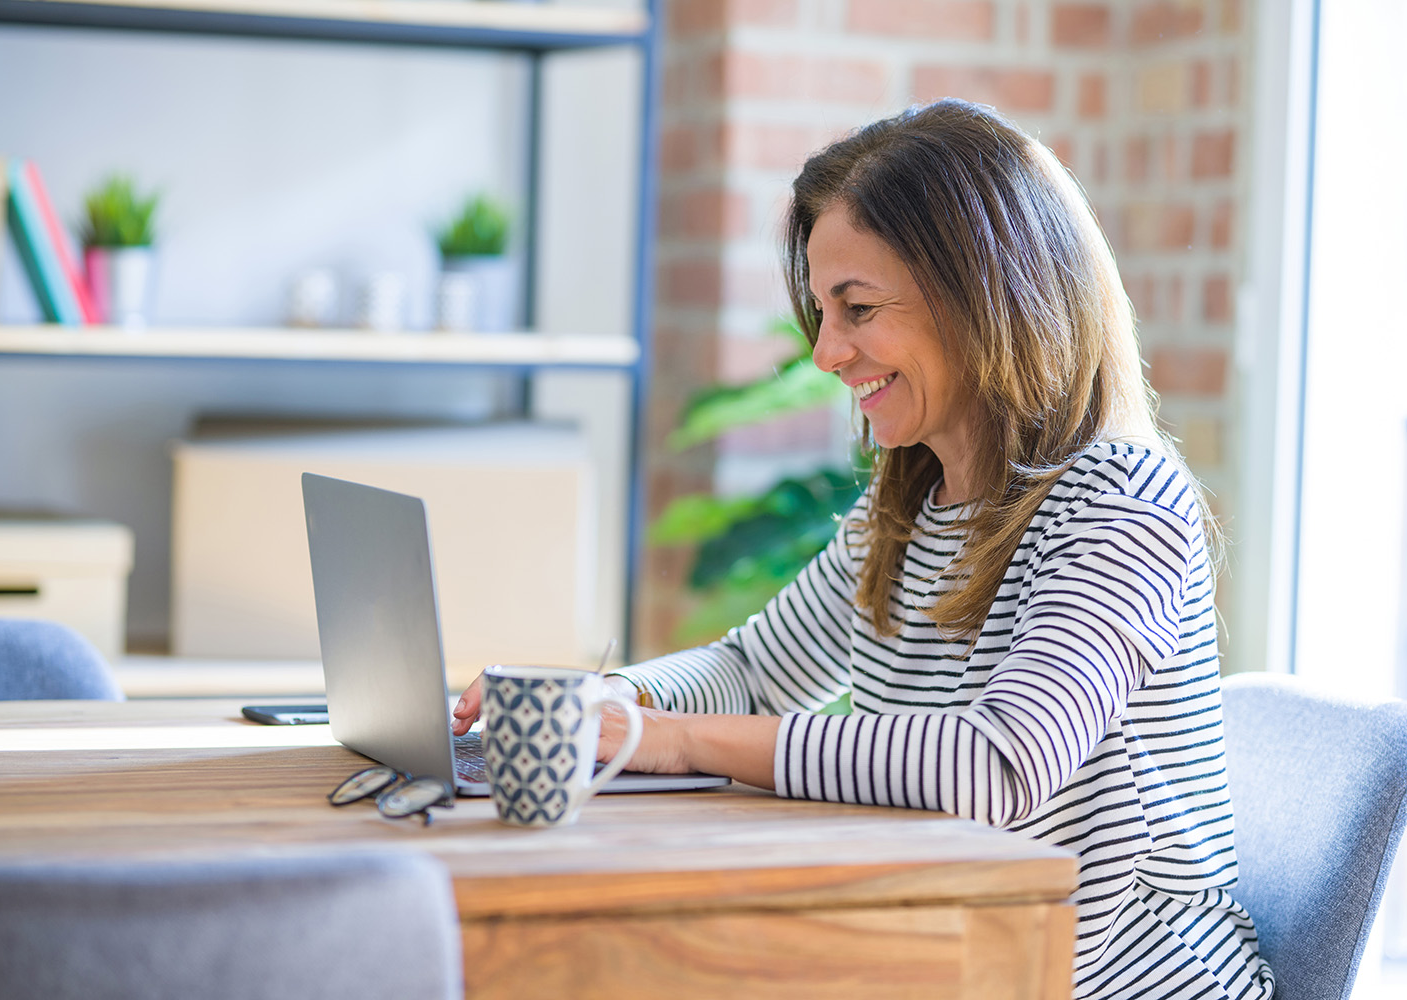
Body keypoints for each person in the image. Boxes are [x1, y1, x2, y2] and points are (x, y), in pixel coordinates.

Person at [454, 99, 1273, 1000]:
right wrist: (611, 699)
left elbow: (994, 766)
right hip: (949, 956)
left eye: (858, 309)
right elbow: (753, 670)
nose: (826, 352)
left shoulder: (1121, 503)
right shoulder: (912, 506)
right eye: (822, 311)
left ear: (983, 296)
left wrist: (675, 740)